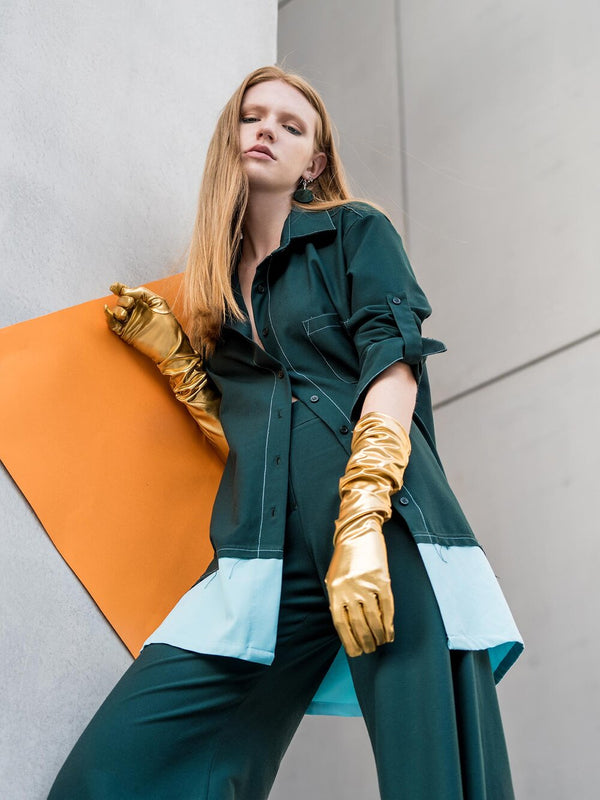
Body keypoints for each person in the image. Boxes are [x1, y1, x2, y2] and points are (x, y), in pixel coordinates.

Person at [47, 64, 522, 799]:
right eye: (252, 116)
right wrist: (178, 357)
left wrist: (363, 520)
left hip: (387, 521)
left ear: (315, 163)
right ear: (228, 137)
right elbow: (256, 428)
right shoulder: (212, 293)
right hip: (264, 554)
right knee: (112, 773)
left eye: (291, 126)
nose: (266, 129)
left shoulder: (355, 233)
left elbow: (394, 369)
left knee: (434, 775)